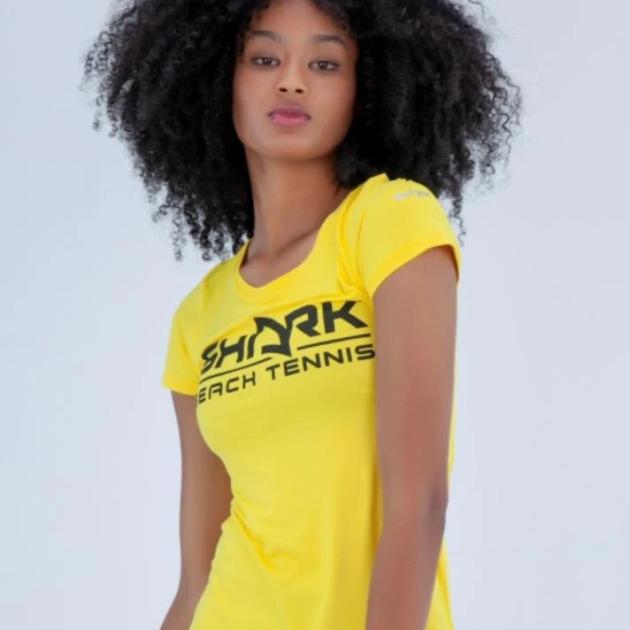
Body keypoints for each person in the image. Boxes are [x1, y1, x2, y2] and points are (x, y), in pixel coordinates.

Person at [80, 0, 522, 628]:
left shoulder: (388, 223)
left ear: (366, 90)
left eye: (325, 63)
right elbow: (198, 575)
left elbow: (419, 502)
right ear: (220, 81)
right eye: (264, 59)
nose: (291, 81)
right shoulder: (200, 316)